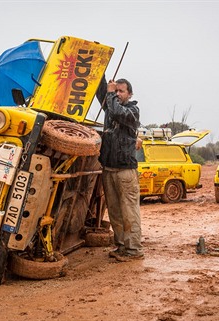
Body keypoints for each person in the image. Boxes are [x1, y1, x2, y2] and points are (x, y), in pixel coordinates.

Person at [95, 76, 143, 262]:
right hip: (109, 168)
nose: (117, 94)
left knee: (129, 210)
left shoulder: (132, 111)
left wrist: (110, 94)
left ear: (129, 94)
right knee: (115, 211)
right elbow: (103, 95)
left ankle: (134, 250)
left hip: (125, 170)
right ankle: (122, 246)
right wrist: (103, 75)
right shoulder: (111, 107)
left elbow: (115, 110)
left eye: (121, 91)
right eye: (115, 91)